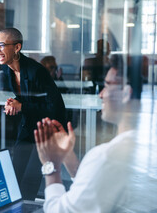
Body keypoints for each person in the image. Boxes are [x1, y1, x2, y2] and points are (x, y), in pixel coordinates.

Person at [34, 54, 156, 212]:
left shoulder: (107, 157)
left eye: (107, 85)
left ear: (126, 93)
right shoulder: (147, 145)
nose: (101, 94)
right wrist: (68, 158)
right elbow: (99, 189)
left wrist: (52, 166)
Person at [0, 28, 67, 200]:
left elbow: (54, 109)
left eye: (1, 45)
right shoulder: (7, 71)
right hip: (28, 125)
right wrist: (14, 103)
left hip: (49, 130)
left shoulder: (36, 71)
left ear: (17, 48)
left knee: (31, 180)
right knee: (14, 173)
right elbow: (24, 98)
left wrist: (22, 106)